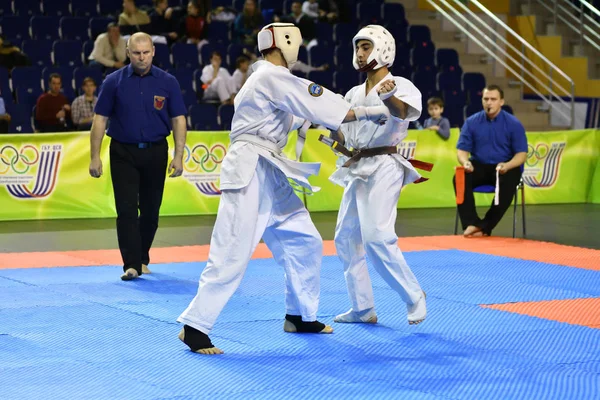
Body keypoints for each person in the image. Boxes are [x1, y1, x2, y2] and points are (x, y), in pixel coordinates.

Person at [177, 22, 391, 355]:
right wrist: (371, 110)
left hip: (269, 167)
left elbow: (306, 111)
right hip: (250, 167)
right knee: (232, 250)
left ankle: (300, 315)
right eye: (295, 44)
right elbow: (326, 105)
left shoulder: (270, 80)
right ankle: (195, 327)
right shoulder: (271, 77)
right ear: (285, 42)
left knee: (305, 241)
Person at [327, 25, 428, 326]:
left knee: (377, 236)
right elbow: (343, 137)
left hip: (385, 165)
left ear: (383, 49)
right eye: (357, 48)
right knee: (345, 238)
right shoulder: (354, 93)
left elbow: (403, 112)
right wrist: (331, 130)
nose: (359, 54)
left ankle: (414, 296)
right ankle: (362, 308)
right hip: (358, 167)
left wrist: (390, 97)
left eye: (366, 47)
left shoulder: (401, 85)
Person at [88, 32, 187, 280]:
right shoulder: (113, 81)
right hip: (123, 151)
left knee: (151, 211)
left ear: (153, 51)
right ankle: (131, 264)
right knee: (127, 209)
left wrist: (179, 155)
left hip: (156, 151)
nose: (141, 58)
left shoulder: (168, 82)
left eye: (145, 52)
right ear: (127, 52)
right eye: (136, 53)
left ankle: (142, 256)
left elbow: (179, 119)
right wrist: (94, 157)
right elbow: (100, 119)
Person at [453, 85, 527, 237]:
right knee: (459, 176)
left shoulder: (513, 124)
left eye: (493, 99)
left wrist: (508, 165)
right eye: (486, 99)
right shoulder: (472, 122)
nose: (489, 103)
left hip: (504, 166)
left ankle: (486, 225)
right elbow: (462, 151)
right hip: (479, 165)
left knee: (510, 180)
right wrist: (465, 162)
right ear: (482, 101)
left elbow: (521, 155)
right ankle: (471, 222)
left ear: (501, 102)